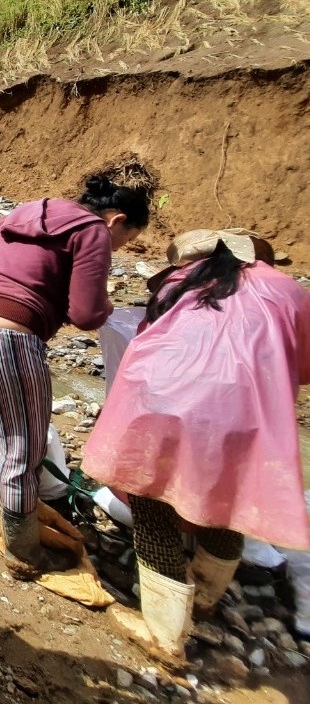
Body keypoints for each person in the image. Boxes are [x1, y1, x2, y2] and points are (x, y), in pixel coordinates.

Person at [82, 229, 309, 667]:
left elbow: (151, 338)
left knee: (152, 501)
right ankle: (205, 592)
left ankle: (166, 633)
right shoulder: (287, 290)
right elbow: (301, 365)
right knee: (229, 493)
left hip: (160, 403)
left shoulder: (177, 284)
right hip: (243, 415)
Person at [0, 170, 151, 578]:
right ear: (117, 220)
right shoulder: (93, 230)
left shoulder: (28, 209)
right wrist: (115, 314)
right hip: (11, 337)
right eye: (124, 241)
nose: (117, 247)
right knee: (23, 442)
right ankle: (22, 550)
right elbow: (86, 313)